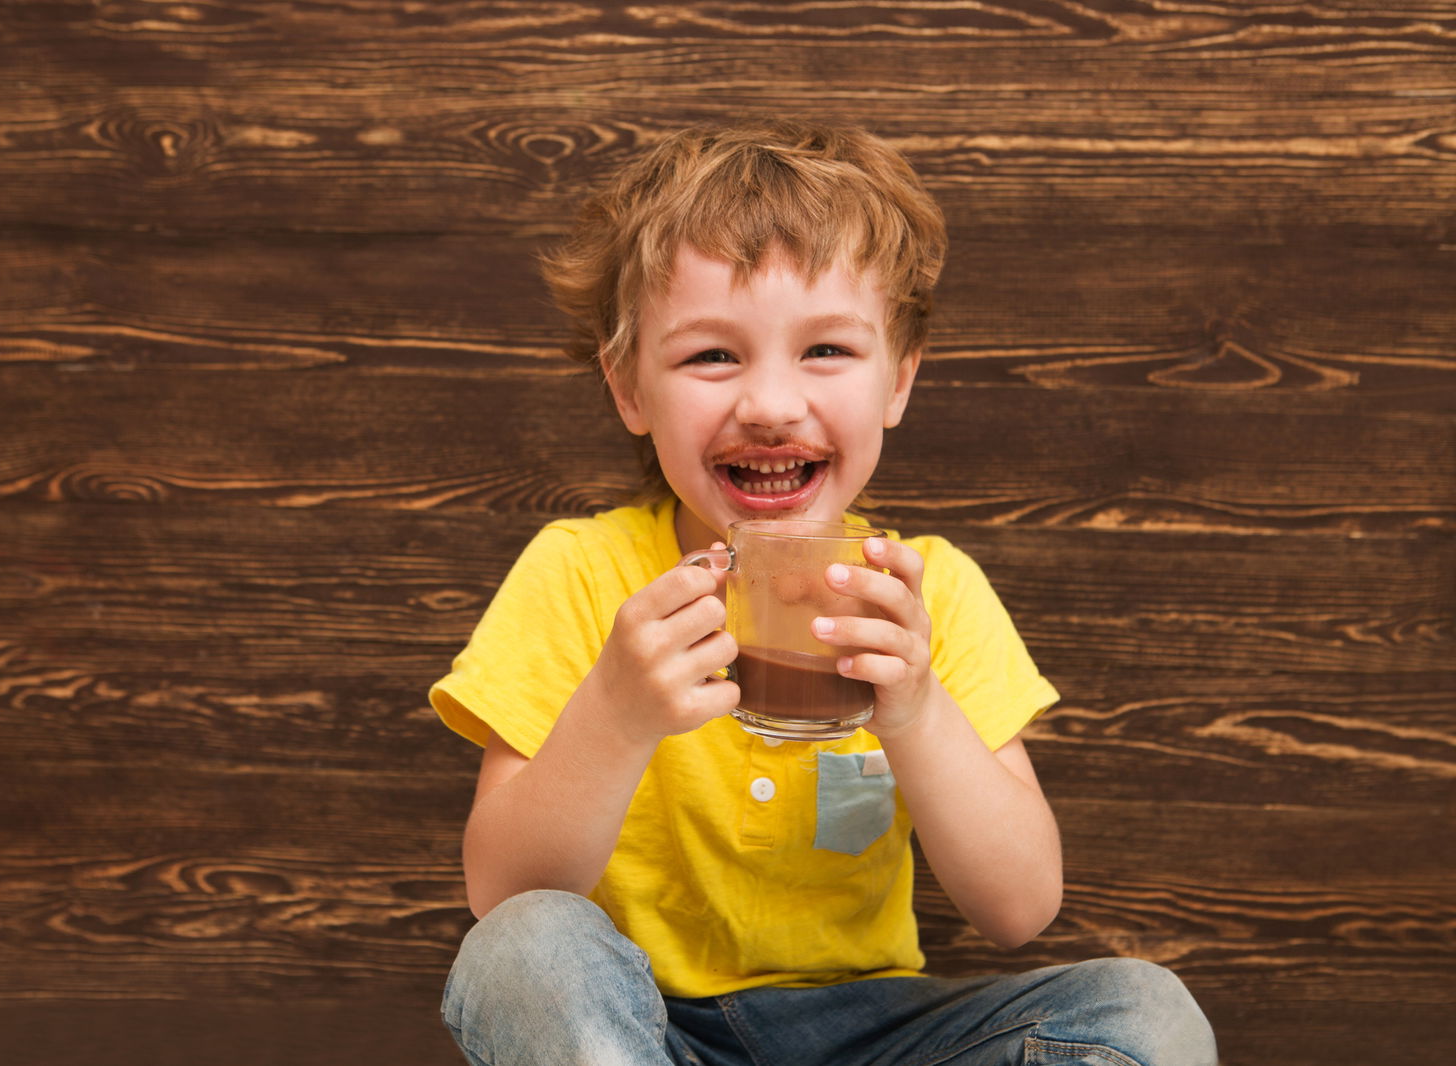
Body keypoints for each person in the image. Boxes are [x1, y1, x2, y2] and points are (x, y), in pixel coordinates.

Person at [429, 120, 1216, 1066]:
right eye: (712, 356)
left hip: (878, 1030)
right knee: (521, 954)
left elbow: (1019, 908)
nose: (768, 404)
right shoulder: (581, 575)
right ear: (628, 390)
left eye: (827, 351)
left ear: (900, 381)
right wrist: (616, 713)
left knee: (1147, 1013)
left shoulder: (930, 593)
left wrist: (919, 711)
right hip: (640, 1027)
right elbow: (504, 893)